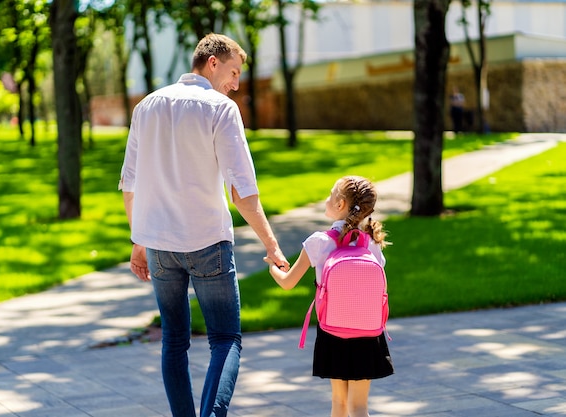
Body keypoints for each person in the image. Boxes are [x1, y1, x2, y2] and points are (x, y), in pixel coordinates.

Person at [119, 33, 290, 417]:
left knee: (174, 341)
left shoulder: (146, 107)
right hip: (207, 242)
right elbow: (242, 190)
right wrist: (272, 244)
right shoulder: (221, 109)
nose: (236, 83)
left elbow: (130, 184)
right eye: (233, 72)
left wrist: (139, 241)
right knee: (226, 338)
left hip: (160, 247)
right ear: (212, 63)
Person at [263, 176, 393, 417]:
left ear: (341, 204)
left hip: (332, 330)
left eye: (331, 194)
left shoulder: (319, 242)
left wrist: (273, 266)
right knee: (359, 406)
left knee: (339, 403)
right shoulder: (371, 244)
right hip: (367, 331)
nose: (326, 199)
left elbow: (288, 282)